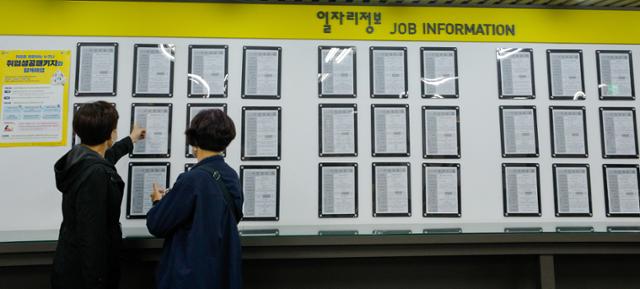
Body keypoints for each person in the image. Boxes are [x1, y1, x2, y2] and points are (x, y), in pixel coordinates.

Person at [52, 101, 146, 289]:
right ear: (111, 134)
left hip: (70, 264)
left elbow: (107, 157)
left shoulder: (79, 159)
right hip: (86, 276)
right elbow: (92, 235)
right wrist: (97, 282)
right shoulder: (95, 174)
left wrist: (130, 140)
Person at [146, 109, 243, 289]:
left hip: (190, 276)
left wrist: (158, 201)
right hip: (222, 273)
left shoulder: (191, 180)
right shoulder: (231, 176)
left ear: (194, 141)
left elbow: (157, 224)